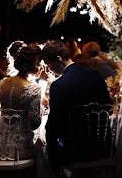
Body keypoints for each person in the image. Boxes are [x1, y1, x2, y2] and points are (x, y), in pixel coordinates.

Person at [41, 40, 112, 168]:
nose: (48, 69)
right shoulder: (95, 75)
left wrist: (49, 148)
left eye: (48, 64)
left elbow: (53, 126)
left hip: (75, 152)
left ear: (58, 59)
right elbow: (108, 106)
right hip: (102, 146)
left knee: (45, 152)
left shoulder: (58, 86)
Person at [0, 42, 43, 160]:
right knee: (42, 152)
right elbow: (33, 124)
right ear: (29, 65)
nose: (41, 68)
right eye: (38, 64)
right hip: (19, 146)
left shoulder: (3, 83)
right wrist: (41, 110)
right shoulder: (34, 88)